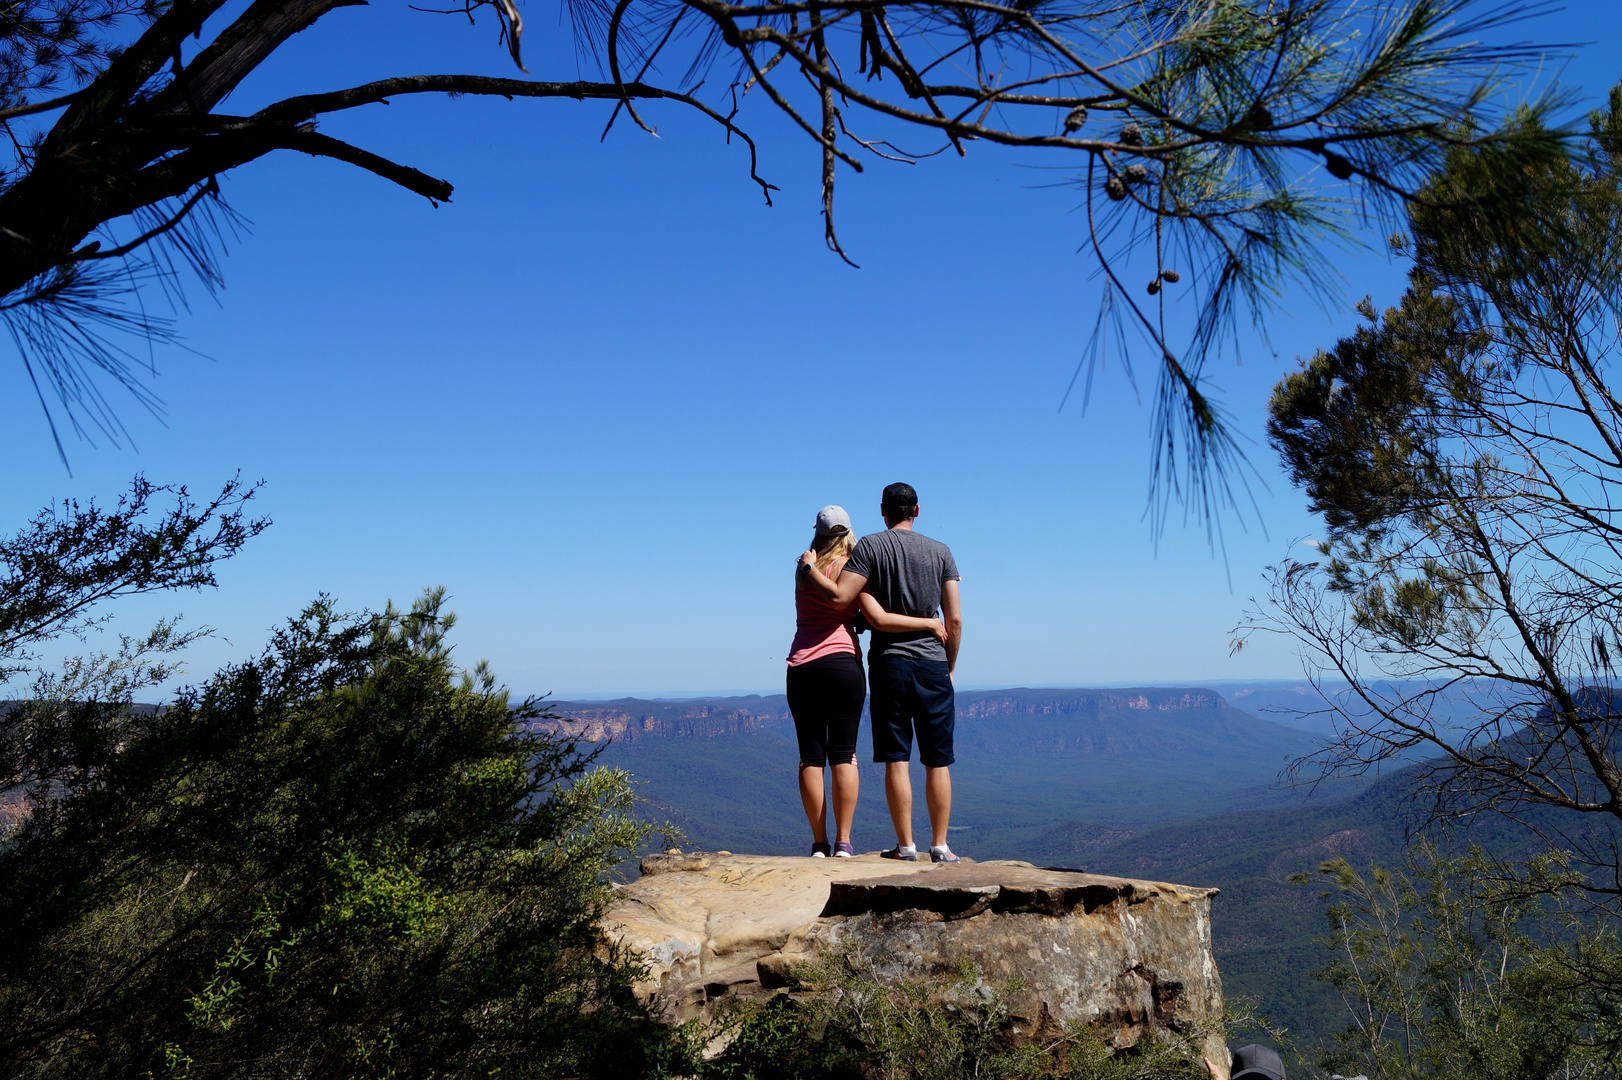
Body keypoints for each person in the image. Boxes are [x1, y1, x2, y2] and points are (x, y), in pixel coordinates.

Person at [800, 482, 963, 863]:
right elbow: (953, 618)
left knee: (897, 756)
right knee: (938, 758)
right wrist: (950, 665)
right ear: (917, 510)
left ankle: (906, 846)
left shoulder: (871, 547)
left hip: (890, 663)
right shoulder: (942, 552)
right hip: (933, 663)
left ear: (882, 510)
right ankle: (940, 845)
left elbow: (846, 597)